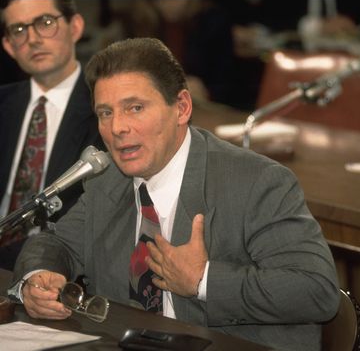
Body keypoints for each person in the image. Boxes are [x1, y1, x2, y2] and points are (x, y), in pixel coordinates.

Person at [9, 37, 339, 351]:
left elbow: (316, 290)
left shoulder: (257, 182)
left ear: (181, 107)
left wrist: (203, 280)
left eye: (135, 108)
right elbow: (56, 243)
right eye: (105, 113)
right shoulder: (107, 178)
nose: (117, 128)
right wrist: (37, 277)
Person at [0, 0, 105, 270]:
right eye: (19, 30)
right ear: (9, 45)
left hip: (59, 268)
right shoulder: (3, 104)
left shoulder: (105, 110)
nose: (33, 39)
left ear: (76, 27)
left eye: (45, 22)